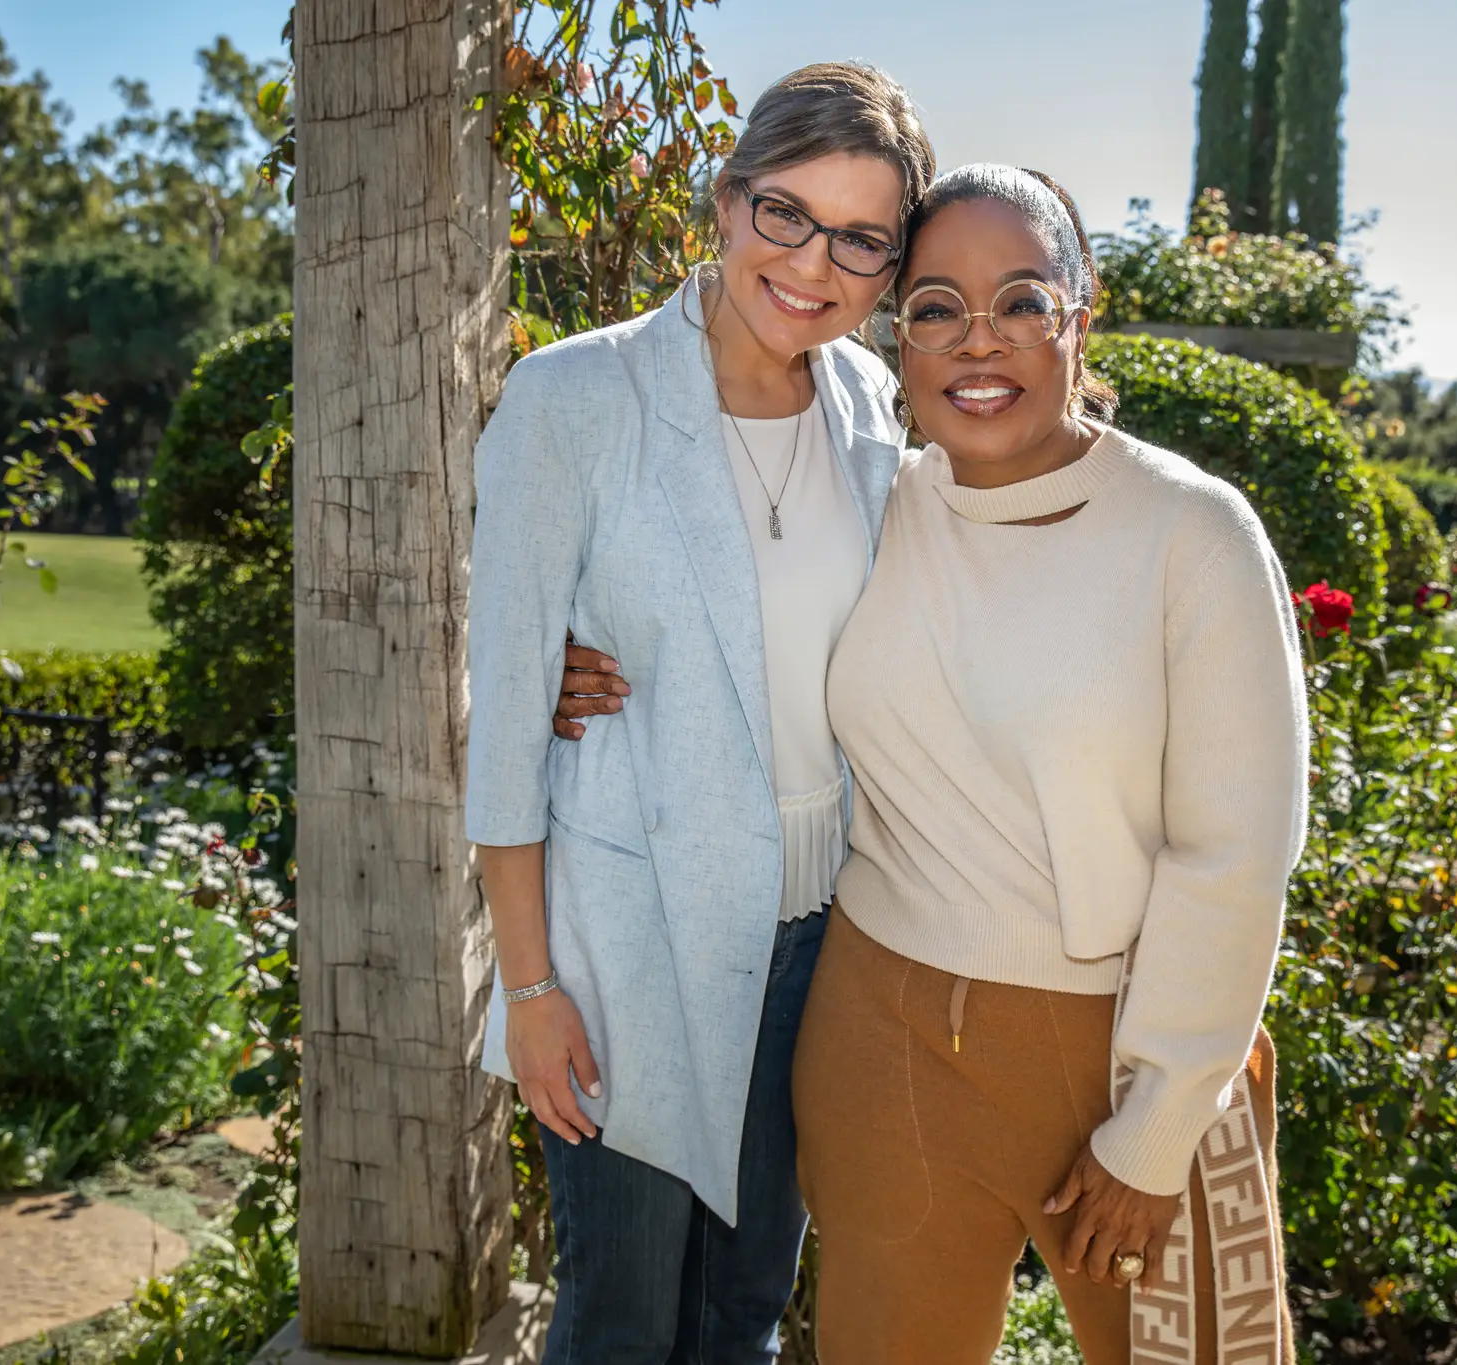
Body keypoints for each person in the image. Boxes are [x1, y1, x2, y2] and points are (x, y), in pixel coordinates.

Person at [792, 165, 1309, 1364]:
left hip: (1119, 1060)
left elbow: (1232, 851)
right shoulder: (875, 503)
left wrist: (1158, 1122)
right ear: (896, 339)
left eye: (1020, 300)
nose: (981, 343)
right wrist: (591, 669)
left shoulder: (1192, 534)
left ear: (1082, 312)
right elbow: (734, 622)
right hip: (879, 1034)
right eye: (934, 309)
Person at [462, 63, 934, 1364]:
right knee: (622, 1326)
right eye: (785, 213)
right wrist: (533, 983)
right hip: (628, 951)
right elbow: (502, 717)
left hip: (818, 948)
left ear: (890, 266)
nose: (813, 265)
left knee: (740, 1318)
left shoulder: (867, 413)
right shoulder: (578, 399)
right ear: (725, 204)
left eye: (859, 240)